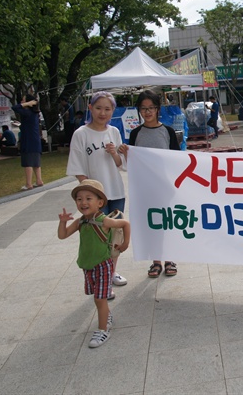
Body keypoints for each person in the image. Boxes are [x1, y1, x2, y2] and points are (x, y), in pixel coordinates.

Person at [67, 91, 128, 294]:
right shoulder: (81, 134)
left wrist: (114, 153)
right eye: (99, 108)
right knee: (98, 235)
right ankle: (102, 279)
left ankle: (111, 273)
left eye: (108, 109)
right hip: (95, 198)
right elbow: (78, 169)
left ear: (113, 111)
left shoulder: (114, 132)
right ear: (90, 108)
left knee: (115, 235)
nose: (103, 112)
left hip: (116, 191)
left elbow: (121, 164)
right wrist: (90, 196)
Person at [58, 179, 130, 348]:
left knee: (99, 299)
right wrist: (63, 222)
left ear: (100, 203)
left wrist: (125, 243)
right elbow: (63, 235)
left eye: (88, 198)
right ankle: (107, 315)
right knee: (97, 297)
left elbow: (125, 223)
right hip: (87, 266)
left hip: (103, 265)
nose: (83, 202)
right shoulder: (81, 221)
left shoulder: (104, 221)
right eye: (79, 199)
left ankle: (103, 330)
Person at [118, 90, 180, 278]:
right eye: (143, 109)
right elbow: (133, 162)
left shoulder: (168, 131)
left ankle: (170, 259)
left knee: (167, 223)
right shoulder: (136, 133)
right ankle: (156, 261)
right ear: (139, 110)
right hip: (145, 188)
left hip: (165, 186)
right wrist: (125, 153)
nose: (147, 112)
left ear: (158, 109)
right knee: (153, 223)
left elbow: (177, 159)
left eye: (151, 108)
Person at [12, 94, 44, 190]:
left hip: (29, 140)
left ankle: (28, 184)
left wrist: (27, 103)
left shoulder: (28, 113)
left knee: (28, 162)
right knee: (36, 162)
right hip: (34, 140)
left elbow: (14, 107)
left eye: (24, 100)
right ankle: (39, 181)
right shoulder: (34, 113)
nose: (22, 102)